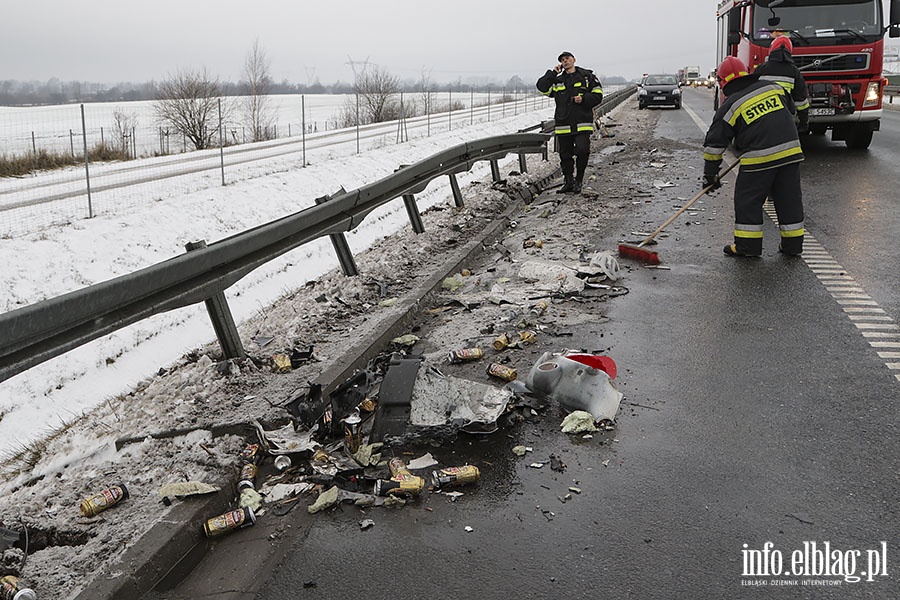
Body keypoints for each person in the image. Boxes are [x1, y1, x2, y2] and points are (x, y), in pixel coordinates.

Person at [702, 56, 805, 257]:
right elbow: (791, 111)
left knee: (747, 201)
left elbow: (714, 146)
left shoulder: (730, 105)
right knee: (789, 200)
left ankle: (747, 248)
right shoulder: (773, 87)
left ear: (722, 82)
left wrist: (710, 176)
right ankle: (793, 247)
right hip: (791, 153)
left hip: (759, 160)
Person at [536, 51, 603, 193]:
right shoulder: (558, 80)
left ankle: (579, 180)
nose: (565, 61)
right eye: (562, 60)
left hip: (582, 123)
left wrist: (584, 99)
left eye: (567, 58)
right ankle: (568, 182)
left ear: (574, 60)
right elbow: (541, 87)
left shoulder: (587, 77)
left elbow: (598, 96)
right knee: (565, 155)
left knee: (582, 151)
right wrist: (552, 73)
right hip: (563, 124)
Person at [753, 34, 810, 133]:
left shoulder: (761, 69)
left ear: (772, 49)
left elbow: (751, 93)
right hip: (784, 118)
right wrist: (803, 122)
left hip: (762, 117)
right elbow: (801, 101)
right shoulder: (794, 71)